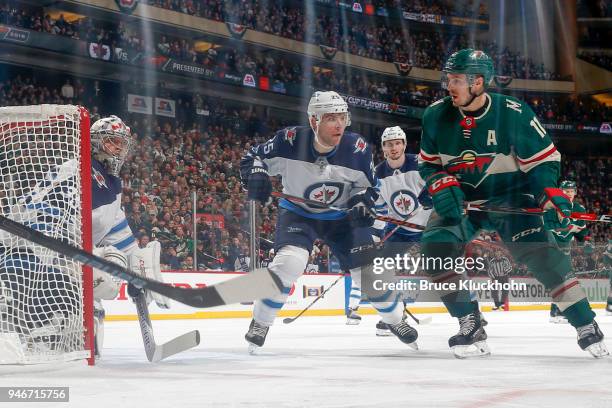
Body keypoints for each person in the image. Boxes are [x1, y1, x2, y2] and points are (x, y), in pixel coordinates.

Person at [418, 48, 607, 358]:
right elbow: (429, 164)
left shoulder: (514, 112)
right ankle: (470, 322)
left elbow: (544, 162)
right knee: (435, 249)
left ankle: (586, 324)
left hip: (511, 199)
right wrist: (440, 182)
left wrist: (550, 196)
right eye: (448, 79)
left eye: (456, 80)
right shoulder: (435, 115)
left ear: (478, 83)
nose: (449, 86)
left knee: (543, 259)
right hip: (462, 200)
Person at [240, 91, 418, 352]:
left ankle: (394, 319)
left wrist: (361, 202)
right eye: (331, 118)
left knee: (369, 276)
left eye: (342, 118)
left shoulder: (357, 149)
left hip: (342, 219)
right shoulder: (288, 140)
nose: (339, 124)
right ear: (314, 121)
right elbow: (253, 158)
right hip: (298, 213)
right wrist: (256, 174)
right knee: (289, 263)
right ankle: (260, 321)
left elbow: (369, 187)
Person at [548, 180, 589, 323]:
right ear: (561, 192)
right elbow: (549, 227)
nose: (569, 194)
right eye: (566, 191)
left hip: (566, 247)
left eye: (571, 191)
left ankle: (556, 310)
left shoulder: (579, 208)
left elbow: (581, 229)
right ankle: (556, 311)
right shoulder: (552, 207)